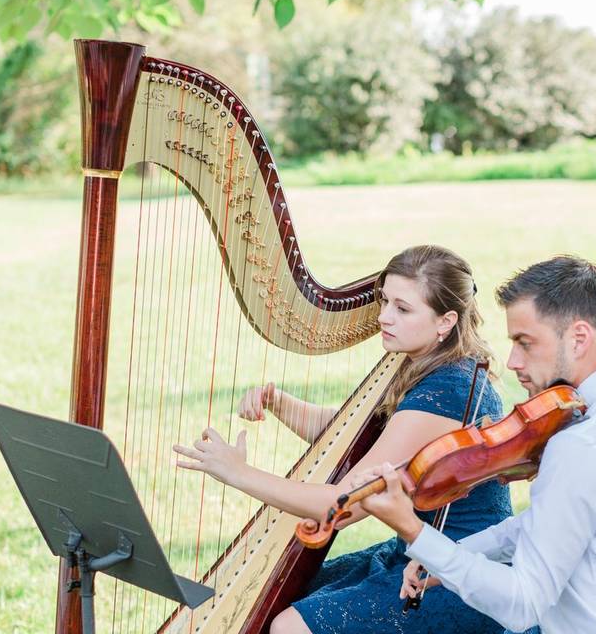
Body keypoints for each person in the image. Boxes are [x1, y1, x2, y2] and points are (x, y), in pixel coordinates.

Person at [173, 245, 512, 634]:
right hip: (418, 556)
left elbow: (342, 506)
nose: (384, 317)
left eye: (402, 309)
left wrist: (238, 473)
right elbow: (365, 436)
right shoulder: (437, 364)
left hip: (456, 575)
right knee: (278, 597)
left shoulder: (447, 392)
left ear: (445, 321)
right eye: (384, 302)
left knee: (289, 626)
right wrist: (281, 404)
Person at [355, 255, 596, 634]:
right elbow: (539, 526)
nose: (513, 361)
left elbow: (522, 604)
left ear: (579, 339)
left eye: (525, 343)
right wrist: (453, 553)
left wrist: (414, 531)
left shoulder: (583, 444)